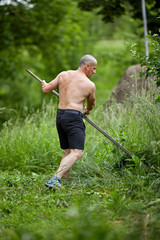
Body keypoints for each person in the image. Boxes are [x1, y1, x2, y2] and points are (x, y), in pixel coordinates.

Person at [41, 54, 97, 189]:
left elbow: (46, 89)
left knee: (67, 152)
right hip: (73, 118)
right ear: (87, 66)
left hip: (60, 116)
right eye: (94, 68)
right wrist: (87, 110)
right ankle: (55, 179)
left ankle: (64, 183)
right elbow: (91, 104)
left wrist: (44, 83)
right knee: (77, 152)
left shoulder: (63, 75)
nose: (94, 72)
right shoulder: (89, 85)